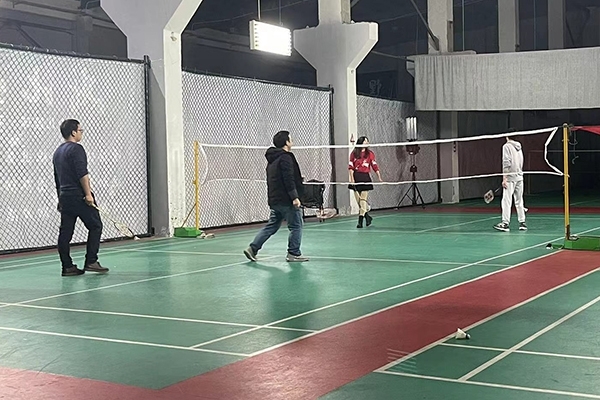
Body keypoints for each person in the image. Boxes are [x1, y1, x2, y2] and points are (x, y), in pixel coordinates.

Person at [53, 119, 108, 276]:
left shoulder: (57, 152)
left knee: (65, 233)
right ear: (73, 132)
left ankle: (67, 266)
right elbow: (82, 173)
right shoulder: (77, 149)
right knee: (95, 226)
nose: (81, 133)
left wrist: (60, 198)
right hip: (78, 196)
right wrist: (88, 194)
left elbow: (57, 178)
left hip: (65, 196)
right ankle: (91, 261)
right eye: (80, 130)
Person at [244, 130, 309, 262]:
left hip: (275, 200)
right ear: (286, 142)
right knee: (296, 226)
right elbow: (288, 178)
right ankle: (294, 253)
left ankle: (253, 248)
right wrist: (294, 197)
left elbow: (278, 179)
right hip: (287, 200)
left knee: (272, 226)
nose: (292, 141)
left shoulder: (272, 159)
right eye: (290, 139)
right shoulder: (286, 157)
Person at [494, 135, 527, 232]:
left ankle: (505, 223)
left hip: (510, 178)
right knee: (519, 201)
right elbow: (521, 161)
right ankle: (522, 223)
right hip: (519, 177)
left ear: (507, 136)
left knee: (506, 201)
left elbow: (506, 162)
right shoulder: (519, 146)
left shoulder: (506, 146)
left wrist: (504, 178)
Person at [348, 136, 383, 228]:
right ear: (360, 143)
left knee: (363, 200)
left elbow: (374, 165)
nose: (367, 143)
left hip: (365, 178)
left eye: (367, 141)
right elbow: (351, 167)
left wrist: (379, 176)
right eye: (365, 142)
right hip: (356, 177)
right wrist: (352, 179)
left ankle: (360, 221)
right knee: (359, 201)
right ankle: (367, 217)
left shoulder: (370, 154)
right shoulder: (353, 153)